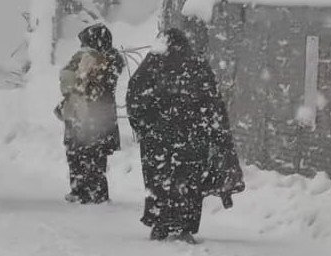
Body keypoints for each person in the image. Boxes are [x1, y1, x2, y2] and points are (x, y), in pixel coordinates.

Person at [126, 28, 245, 243]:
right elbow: (213, 102)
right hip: (192, 138)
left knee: (159, 179)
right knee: (189, 182)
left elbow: (134, 95)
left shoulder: (152, 64)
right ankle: (184, 225)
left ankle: (161, 223)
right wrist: (213, 133)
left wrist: (145, 126)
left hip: (158, 139)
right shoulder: (197, 65)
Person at [54, 23, 125, 204]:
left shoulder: (104, 61)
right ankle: (82, 190)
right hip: (88, 114)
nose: (82, 47)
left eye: (85, 43)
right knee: (80, 153)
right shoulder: (98, 60)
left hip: (93, 115)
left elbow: (89, 86)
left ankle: (93, 193)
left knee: (90, 154)